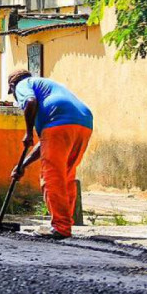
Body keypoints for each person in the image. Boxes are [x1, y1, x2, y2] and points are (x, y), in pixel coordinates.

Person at [9, 70, 94, 240]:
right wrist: (23, 165)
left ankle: (61, 227)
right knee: (66, 176)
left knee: (52, 178)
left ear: (12, 86)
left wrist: (28, 133)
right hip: (84, 122)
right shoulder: (47, 86)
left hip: (59, 122)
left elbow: (30, 102)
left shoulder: (23, 85)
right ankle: (65, 224)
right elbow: (46, 143)